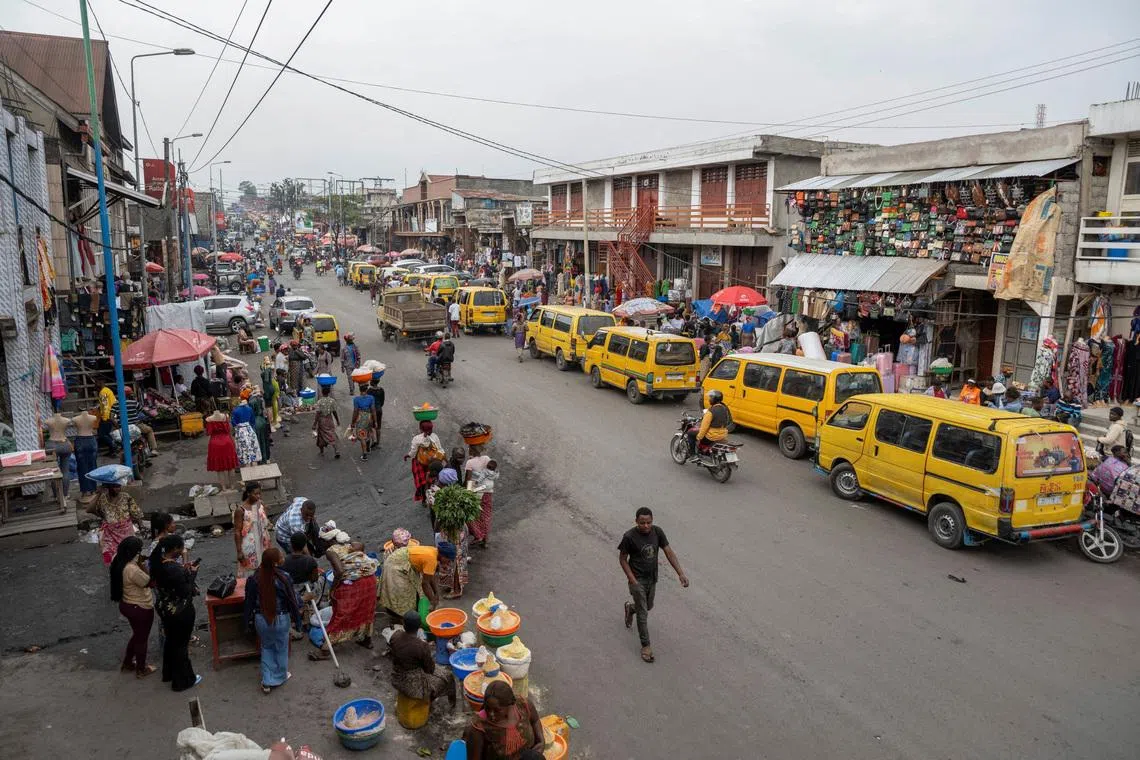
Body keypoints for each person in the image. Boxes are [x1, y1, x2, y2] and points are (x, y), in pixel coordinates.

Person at [619, 507, 688, 664]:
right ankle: (646, 646)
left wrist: (680, 573)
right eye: (642, 523)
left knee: (648, 606)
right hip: (637, 580)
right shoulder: (629, 537)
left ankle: (630, 608)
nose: (646, 526)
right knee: (643, 613)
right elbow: (622, 559)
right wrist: (633, 580)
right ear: (636, 521)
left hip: (652, 578)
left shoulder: (657, 532)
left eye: (649, 522)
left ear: (652, 521)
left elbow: (668, 552)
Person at [244, 547, 303, 694]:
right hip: (281, 619)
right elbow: (293, 600)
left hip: (261, 620)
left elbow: (248, 602)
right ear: (275, 563)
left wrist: (246, 622)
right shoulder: (284, 577)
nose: (283, 558)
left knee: (266, 647)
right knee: (281, 647)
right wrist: (298, 619)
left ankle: (267, 680)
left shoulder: (254, 578)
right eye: (281, 557)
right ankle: (280, 675)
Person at [311, 540, 379, 657]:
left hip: (355, 585)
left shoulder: (331, 551)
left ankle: (326, 649)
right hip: (370, 581)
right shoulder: (353, 548)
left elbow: (339, 572)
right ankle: (366, 639)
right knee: (367, 610)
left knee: (342, 614)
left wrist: (333, 589)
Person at [152, 533, 201, 691]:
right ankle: (183, 681)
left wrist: (184, 571)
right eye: (181, 548)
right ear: (174, 549)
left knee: (171, 641)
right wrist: (192, 573)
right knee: (181, 645)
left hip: (165, 608)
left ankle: (169, 673)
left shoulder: (158, 563)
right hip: (179, 610)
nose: (182, 550)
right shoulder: (173, 568)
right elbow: (185, 591)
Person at [109, 535, 156, 678]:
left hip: (126, 604)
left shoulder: (117, 560)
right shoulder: (132, 569)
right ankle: (141, 669)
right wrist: (143, 566)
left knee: (137, 636)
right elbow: (149, 582)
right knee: (142, 639)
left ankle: (127, 663)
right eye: (139, 550)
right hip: (140, 607)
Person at [463, 680, 546, 760]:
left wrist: (541, 741)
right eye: (487, 708)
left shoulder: (523, 705)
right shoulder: (478, 727)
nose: (491, 714)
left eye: (497, 710)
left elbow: (535, 721)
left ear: (510, 705)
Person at [390, 610, 457, 709]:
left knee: (438, 673)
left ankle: (426, 701)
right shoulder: (422, 646)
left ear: (403, 624)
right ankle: (435, 702)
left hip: (397, 677)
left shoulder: (395, 636)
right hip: (414, 685)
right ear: (419, 626)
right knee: (449, 676)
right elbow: (430, 670)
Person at [379, 542, 440, 623]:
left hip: (405, 561)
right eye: (448, 560)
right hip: (396, 564)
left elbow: (430, 576)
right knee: (402, 592)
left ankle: (409, 615)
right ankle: (400, 617)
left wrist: (436, 593)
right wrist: (432, 601)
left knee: (414, 589)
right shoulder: (432, 559)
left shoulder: (435, 552)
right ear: (443, 556)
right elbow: (425, 583)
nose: (448, 563)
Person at [88, 481, 143, 566]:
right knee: (113, 560)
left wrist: (141, 526)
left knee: (130, 558)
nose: (118, 489)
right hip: (110, 534)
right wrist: (99, 494)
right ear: (109, 487)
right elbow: (89, 509)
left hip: (126, 532)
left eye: (119, 486)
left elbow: (136, 512)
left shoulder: (126, 496)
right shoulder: (102, 499)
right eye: (115, 486)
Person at [234, 482, 272, 578]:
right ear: (248, 493)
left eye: (259, 493)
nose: (258, 496)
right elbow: (237, 532)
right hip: (249, 544)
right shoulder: (241, 510)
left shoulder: (260, 504)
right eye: (255, 494)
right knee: (250, 571)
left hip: (264, 541)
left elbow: (261, 522)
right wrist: (239, 551)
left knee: (265, 568)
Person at [465, 445, 496, 548]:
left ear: (471, 450)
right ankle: (485, 540)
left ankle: (478, 535)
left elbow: (469, 480)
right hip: (487, 491)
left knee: (472, 514)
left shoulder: (470, 463)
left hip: (476, 492)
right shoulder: (486, 459)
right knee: (486, 515)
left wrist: (468, 492)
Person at [406, 420, 445, 501]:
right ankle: (435, 494)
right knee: (434, 479)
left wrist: (408, 455)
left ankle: (424, 498)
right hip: (433, 462)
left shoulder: (417, 439)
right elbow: (440, 449)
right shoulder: (435, 436)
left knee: (423, 482)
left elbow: (413, 452)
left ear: (421, 429)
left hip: (420, 464)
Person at [686, 389, 729, 461]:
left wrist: (699, 437)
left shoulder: (710, 412)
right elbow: (726, 422)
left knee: (690, 433)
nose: (709, 399)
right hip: (723, 435)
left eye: (711, 398)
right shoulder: (724, 409)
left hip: (711, 437)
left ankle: (693, 455)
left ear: (714, 399)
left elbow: (704, 427)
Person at [231, 390, 264, 466]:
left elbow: (234, 423)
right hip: (249, 429)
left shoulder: (235, 411)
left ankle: (246, 464)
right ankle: (254, 463)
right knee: (252, 446)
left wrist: (236, 428)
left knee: (243, 448)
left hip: (241, 431)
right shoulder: (249, 409)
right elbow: (252, 421)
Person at [313, 385, 341, 458]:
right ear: (328, 392)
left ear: (322, 392)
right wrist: (337, 420)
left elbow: (318, 413)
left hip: (322, 421)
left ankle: (321, 451)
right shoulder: (332, 401)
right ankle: (336, 449)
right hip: (329, 420)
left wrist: (315, 423)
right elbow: (334, 412)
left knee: (321, 436)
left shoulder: (319, 402)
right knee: (332, 434)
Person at [350, 382, 376, 461]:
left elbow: (355, 411)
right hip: (369, 417)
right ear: (367, 389)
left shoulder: (356, 399)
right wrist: (375, 420)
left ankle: (364, 454)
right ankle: (368, 448)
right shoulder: (371, 398)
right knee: (367, 432)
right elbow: (373, 410)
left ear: (359, 389)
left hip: (360, 418)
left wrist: (353, 422)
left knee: (362, 437)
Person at [249, 393, 272, 464]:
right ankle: (265, 458)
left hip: (256, 422)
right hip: (262, 421)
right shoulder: (259, 400)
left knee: (258, 441)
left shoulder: (251, 402)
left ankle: (259, 459)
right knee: (264, 440)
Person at [97, 381, 119, 454]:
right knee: (107, 433)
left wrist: (104, 417)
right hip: (112, 414)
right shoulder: (108, 390)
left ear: (99, 385)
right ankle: (112, 450)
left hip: (107, 416)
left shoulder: (102, 393)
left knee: (102, 434)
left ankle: (114, 446)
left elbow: (105, 406)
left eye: (96, 385)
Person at [366, 377, 385, 450]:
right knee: (378, 427)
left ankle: (373, 440)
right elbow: (382, 401)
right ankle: (378, 443)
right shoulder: (381, 390)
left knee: (371, 426)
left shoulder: (369, 391)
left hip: (371, 410)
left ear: (372, 382)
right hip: (379, 409)